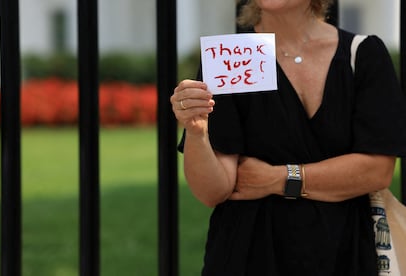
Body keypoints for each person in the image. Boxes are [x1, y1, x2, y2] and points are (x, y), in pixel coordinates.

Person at [170, 0, 406, 275]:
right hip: (249, 255)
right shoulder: (232, 57)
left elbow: (376, 171)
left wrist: (277, 178)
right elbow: (214, 191)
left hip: (345, 251)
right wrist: (197, 132)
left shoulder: (363, 54)